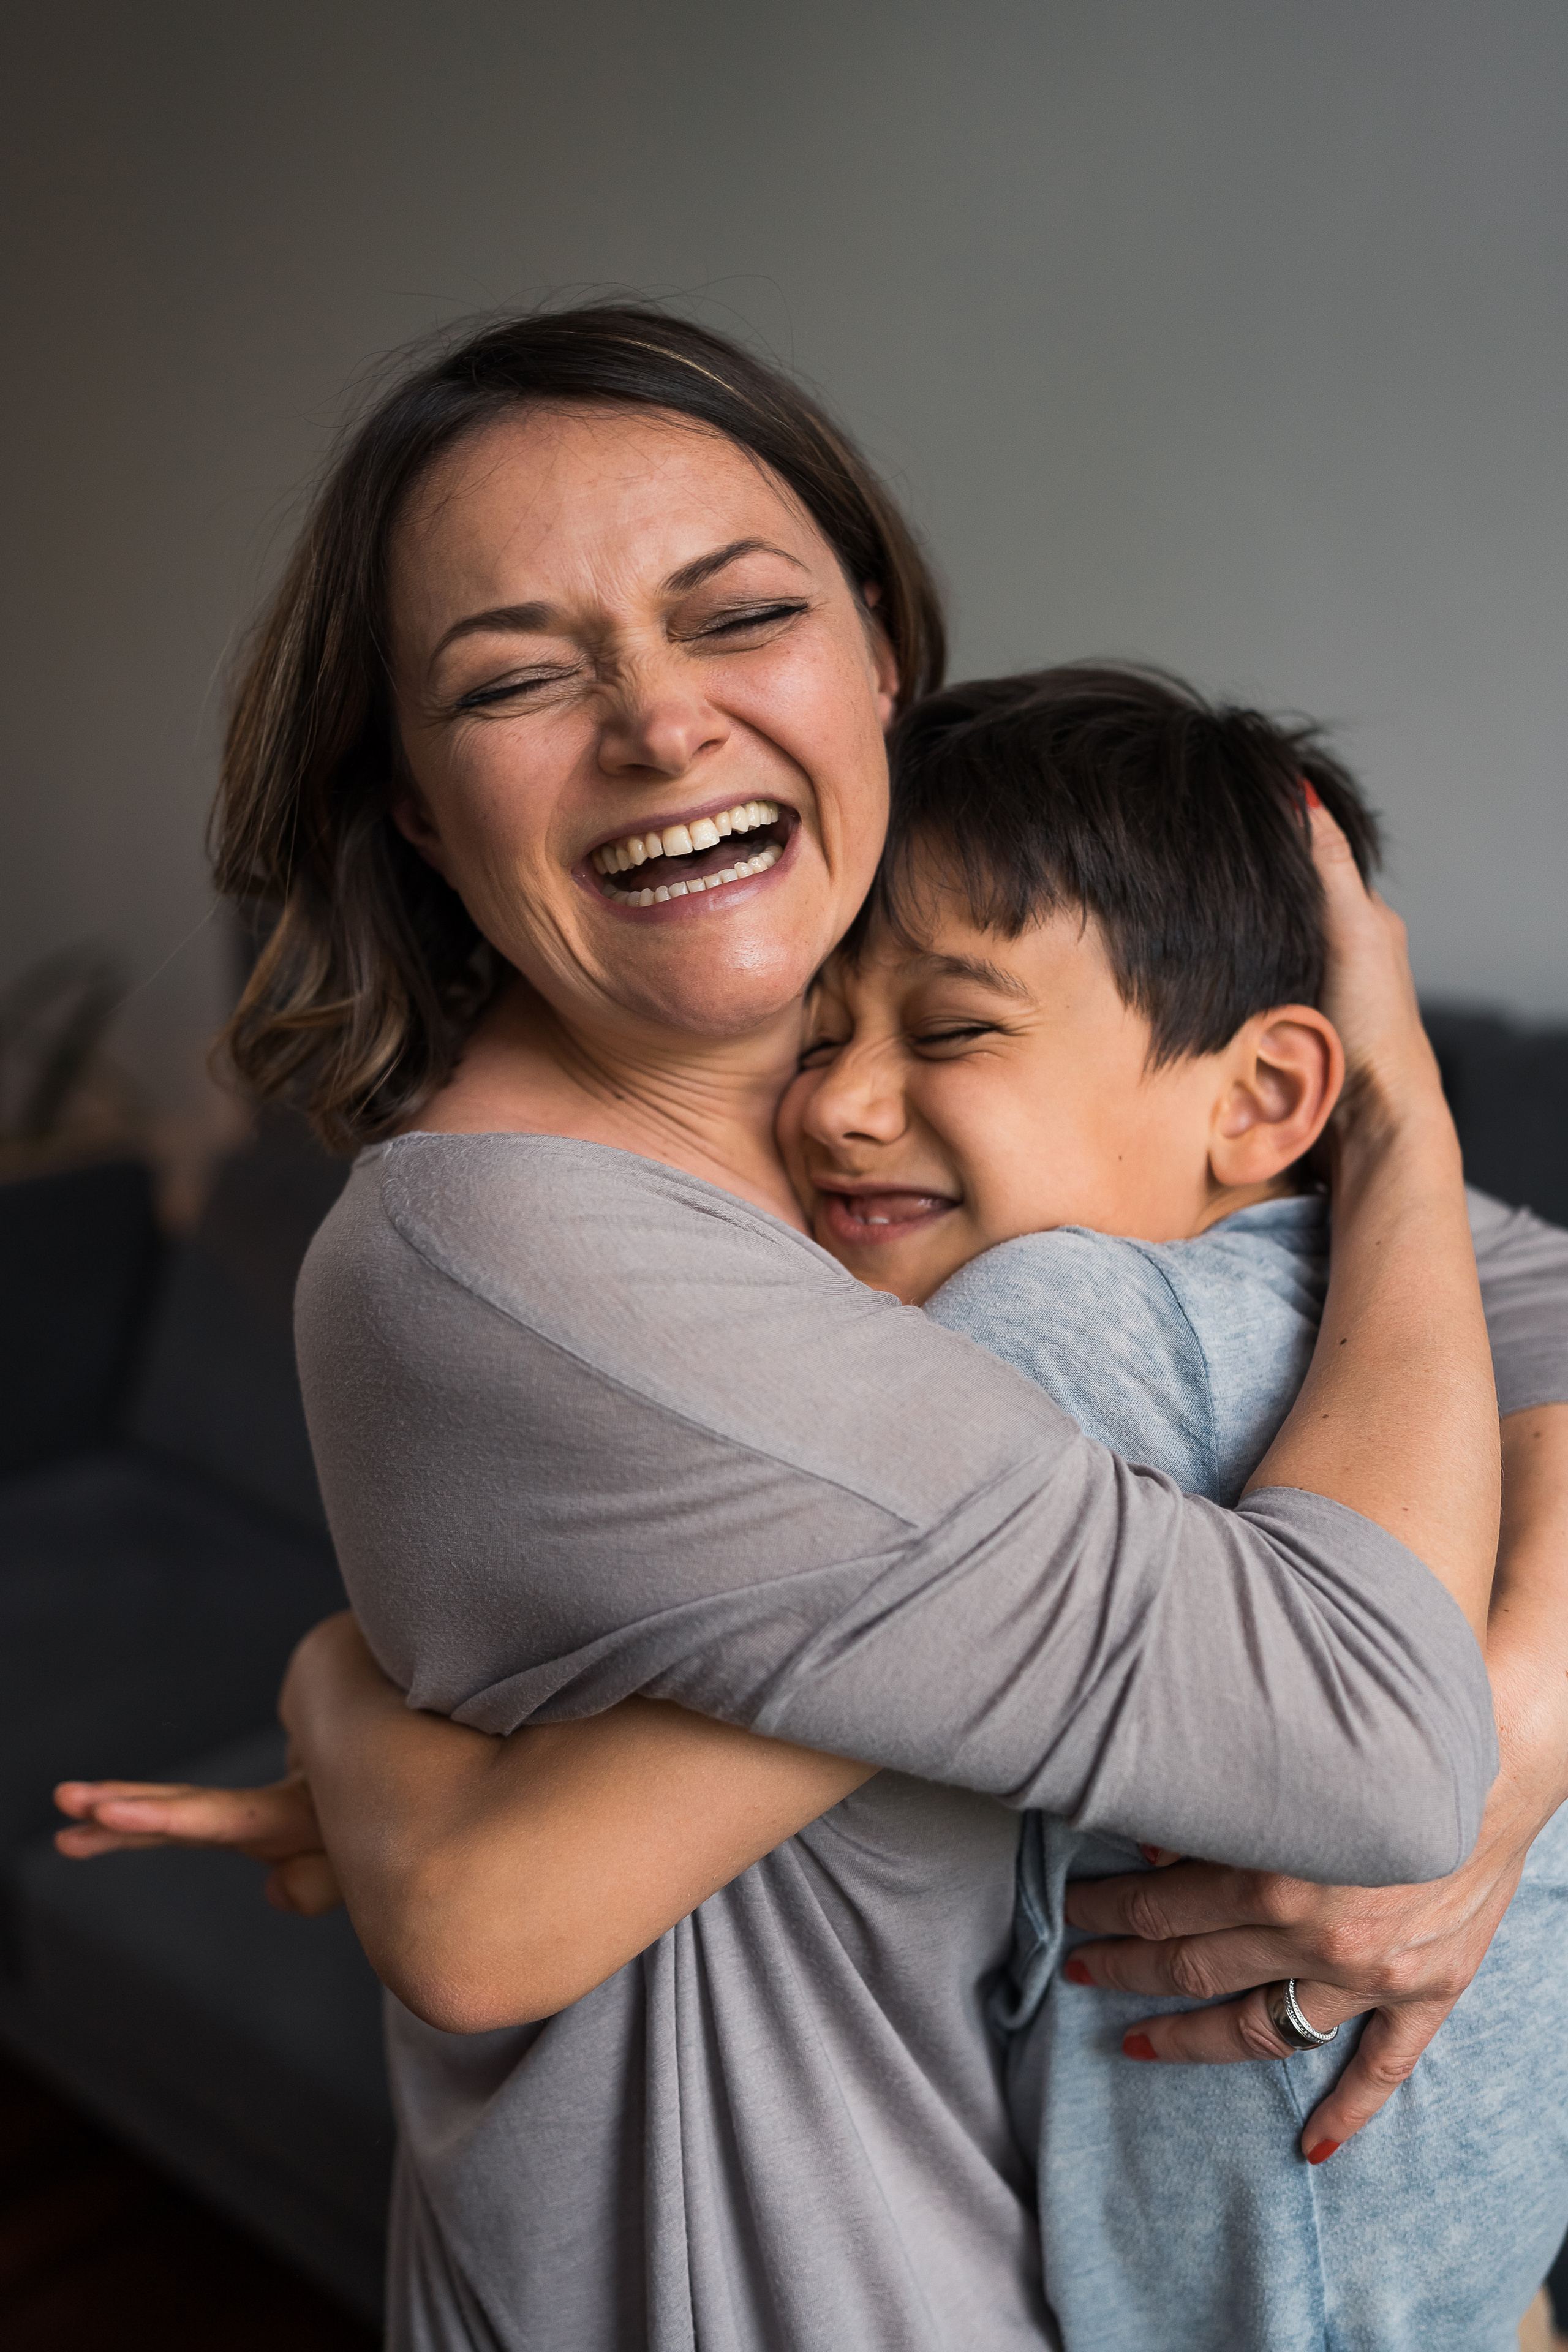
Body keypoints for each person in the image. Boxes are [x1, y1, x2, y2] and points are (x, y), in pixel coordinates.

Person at [47, 307, 1561, 2352]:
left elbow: (1531, 1319)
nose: (661, 725)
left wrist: (1526, 1719)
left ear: (879, 662)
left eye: (738, 616)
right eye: (515, 677)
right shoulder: (525, 1257)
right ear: (413, 799)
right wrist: (1398, 1125)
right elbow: (1366, 1736)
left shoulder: (857, 1094)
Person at [774, 661, 1568, 2351]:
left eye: (952, 1027)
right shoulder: (1372, 1295)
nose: (835, 1103)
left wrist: (351, 1687)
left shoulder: (1053, 1311)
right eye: (814, 1034)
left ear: (1267, 1098)